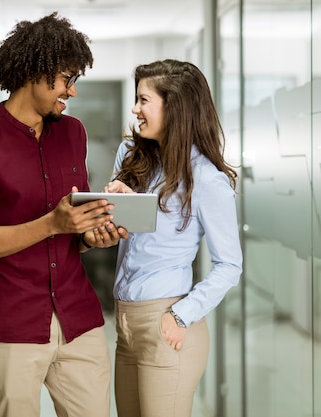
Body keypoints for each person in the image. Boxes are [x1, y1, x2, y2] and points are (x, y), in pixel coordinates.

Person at [0, 12, 128, 417]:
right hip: (13, 325)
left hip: (80, 319)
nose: (72, 92)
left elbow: (73, 226)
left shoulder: (73, 132)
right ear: (34, 71)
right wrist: (53, 223)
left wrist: (90, 234)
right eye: (66, 79)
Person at [105, 59, 243, 417]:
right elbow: (122, 235)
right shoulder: (132, 155)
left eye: (143, 100)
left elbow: (230, 265)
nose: (135, 109)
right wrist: (115, 203)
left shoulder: (206, 180)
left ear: (175, 107)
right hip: (125, 323)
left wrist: (180, 315)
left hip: (166, 322)